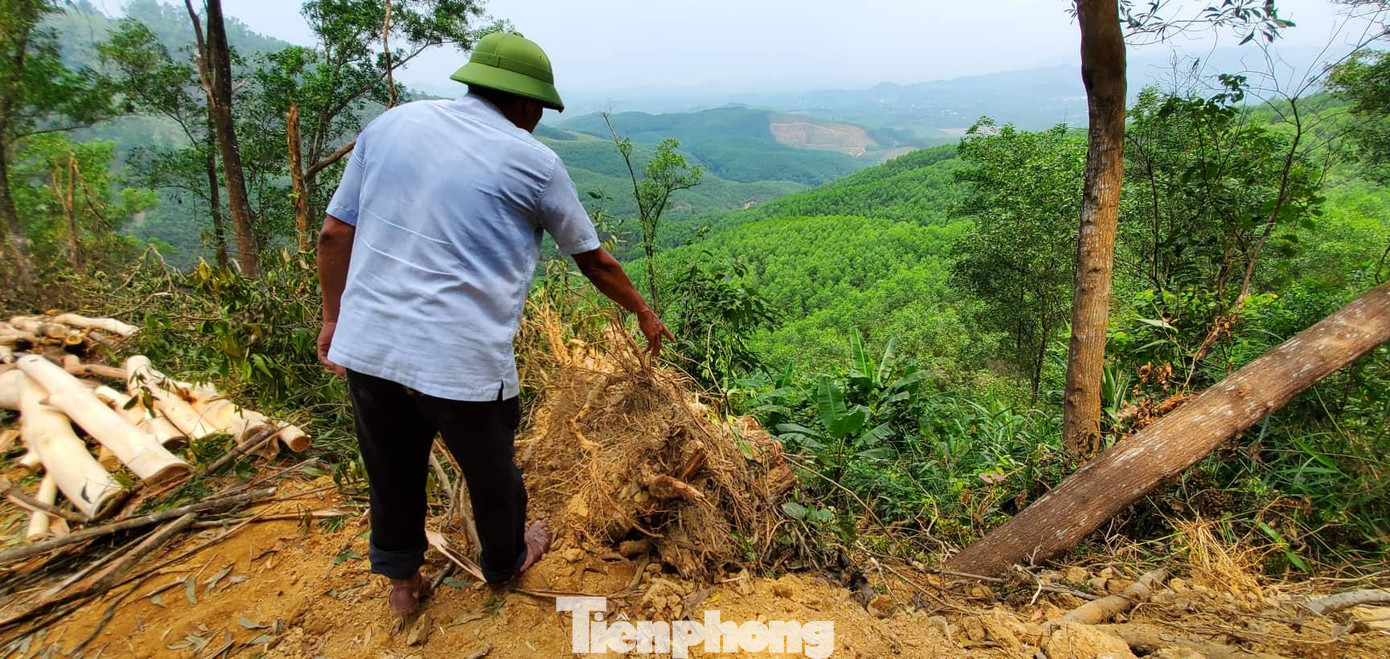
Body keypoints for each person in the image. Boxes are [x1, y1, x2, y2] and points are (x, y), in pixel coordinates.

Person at [315, 31, 672, 617]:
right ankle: (506, 561)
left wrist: (334, 320)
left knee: (391, 468)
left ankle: (402, 584)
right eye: (540, 112)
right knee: (492, 473)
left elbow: (334, 233)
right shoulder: (535, 163)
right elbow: (593, 260)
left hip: (371, 344)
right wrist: (643, 311)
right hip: (460, 359)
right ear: (529, 105)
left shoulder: (391, 126)